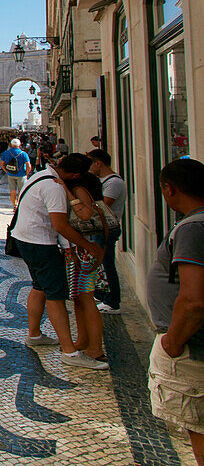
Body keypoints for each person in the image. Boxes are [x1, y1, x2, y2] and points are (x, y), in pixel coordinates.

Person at [12, 153, 107, 370]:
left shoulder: (41, 175)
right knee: (56, 294)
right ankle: (70, 352)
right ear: (76, 174)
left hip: (24, 238)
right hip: (40, 242)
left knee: (40, 287)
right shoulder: (55, 187)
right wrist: (86, 246)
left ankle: (35, 335)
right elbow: (60, 225)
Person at [145, 158, 204, 461]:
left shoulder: (192, 228)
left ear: (169, 189)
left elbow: (194, 301)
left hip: (192, 348)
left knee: (200, 428)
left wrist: (172, 343)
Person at [62, 171, 109, 362]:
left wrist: (68, 192)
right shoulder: (84, 189)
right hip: (80, 252)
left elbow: (86, 214)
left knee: (87, 300)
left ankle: (96, 348)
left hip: (84, 253)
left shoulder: (79, 191)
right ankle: (83, 340)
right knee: (80, 300)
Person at [87, 148, 126, 314]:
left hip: (107, 229)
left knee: (108, 264)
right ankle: (102, 294)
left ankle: (112, 301)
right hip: (101, 229)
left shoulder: (114, 183)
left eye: (90, 163)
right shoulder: (105, 181)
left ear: (98, 163)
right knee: (101, 264)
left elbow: (103, 206)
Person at [0, 138, 33, 209]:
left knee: (12, 191)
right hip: (21, 175)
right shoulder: (23, 154)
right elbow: (28, 165)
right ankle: (20, 205)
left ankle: (14, 205)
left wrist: (6, 171)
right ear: (19, 145)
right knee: (21, 191)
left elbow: (2, 164)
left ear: (11, 145)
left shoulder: (6, 153)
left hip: (10, 174)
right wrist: (26, 173)